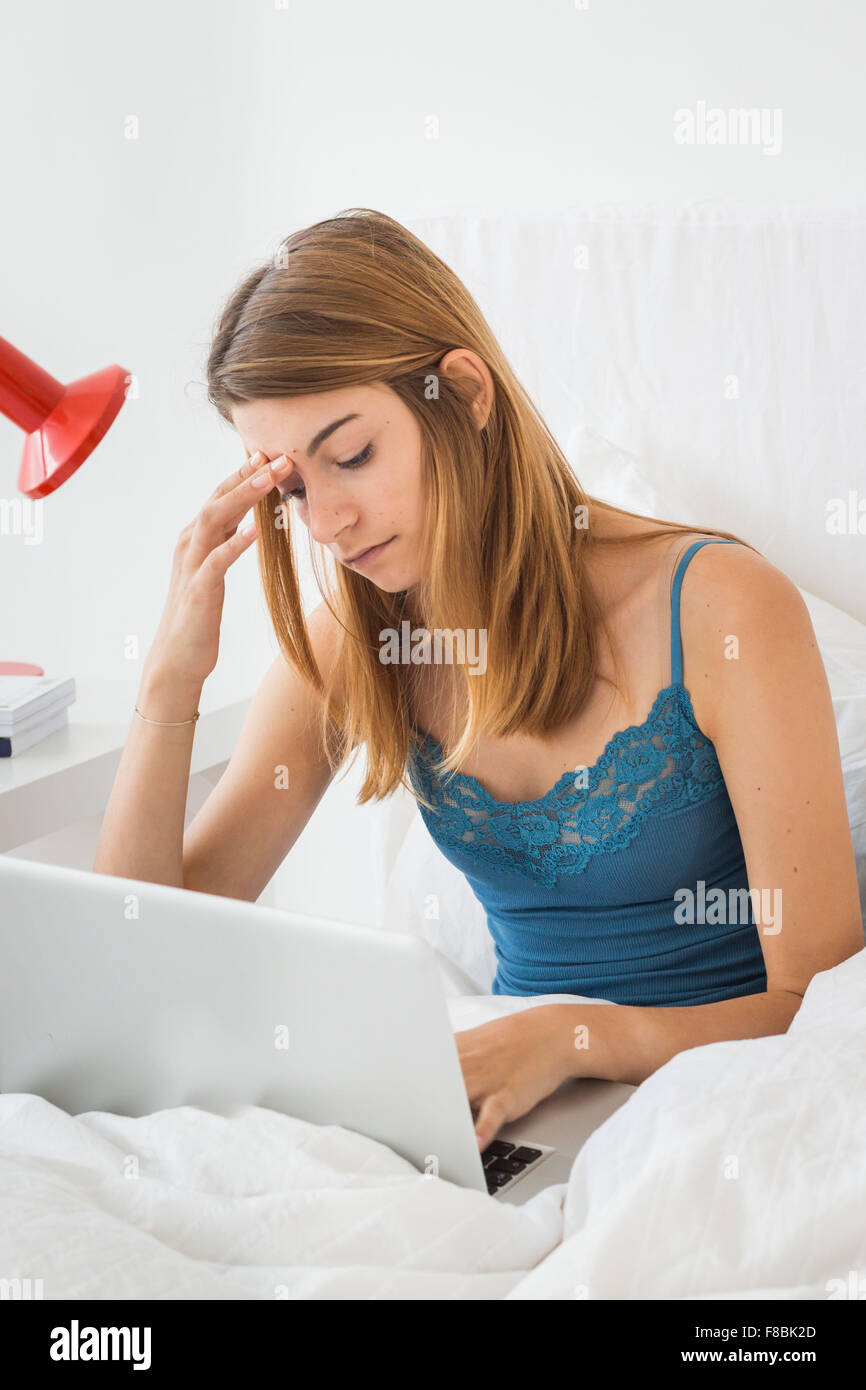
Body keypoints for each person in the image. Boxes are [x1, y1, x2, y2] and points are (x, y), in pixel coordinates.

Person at [94, 208, 863, 1153]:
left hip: (726, 1109)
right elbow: (144, 947)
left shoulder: (720, 608)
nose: (327, 521)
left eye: (353, 456)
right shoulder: (358, 636)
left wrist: (574, 1035)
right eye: (292, 488)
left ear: (464, 394)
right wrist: (169, 683)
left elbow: (823, 1009)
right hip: (516, 1125)